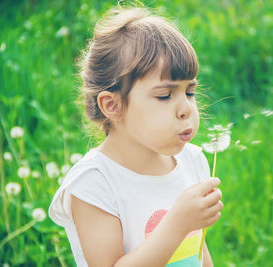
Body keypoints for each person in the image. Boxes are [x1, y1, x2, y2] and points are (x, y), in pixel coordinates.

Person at [48, 5, 223, 267]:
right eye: (164, 95)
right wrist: (177, 223)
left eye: (190, 92)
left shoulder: (193, 161)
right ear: (113, 106)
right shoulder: (95, 184)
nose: (186, 108)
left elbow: (199, 253)